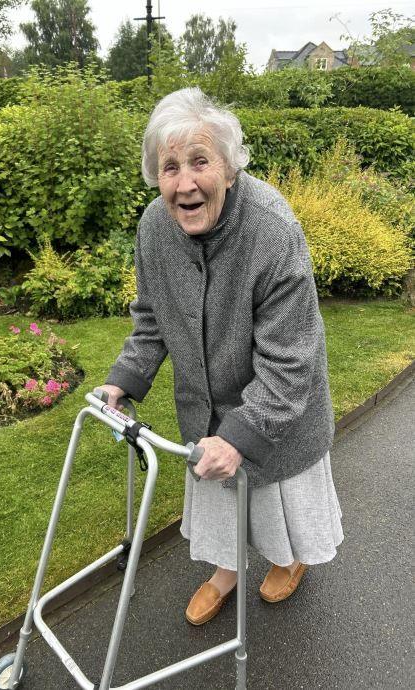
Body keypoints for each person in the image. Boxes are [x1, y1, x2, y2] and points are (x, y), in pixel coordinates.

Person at [99, 87, 343, 626]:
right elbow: (151, 318)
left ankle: (289, 560)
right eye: (169, 167)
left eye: (200, 162)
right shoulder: (153, 228)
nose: (184, 182)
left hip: (278, 417)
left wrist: (240, 436)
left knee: (277, 509)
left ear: (230, 169)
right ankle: (226, 571)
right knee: (220, 502)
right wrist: (123, 380)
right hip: (205, 412)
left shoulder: (272, 230)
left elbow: (290, 363)